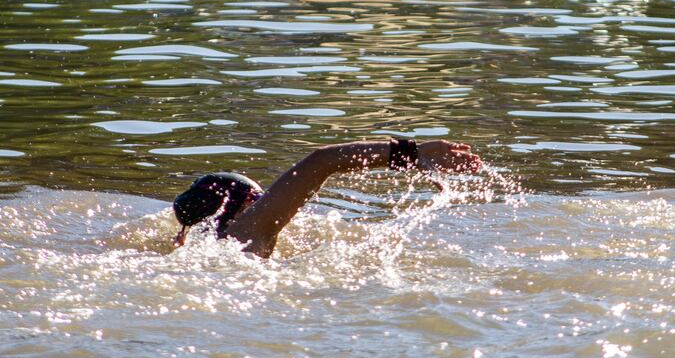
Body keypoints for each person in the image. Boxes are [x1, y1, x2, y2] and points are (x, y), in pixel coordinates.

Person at [172, 139, 482, 257]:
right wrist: (412, 154)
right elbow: (321, 161)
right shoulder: (248, 231)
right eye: (260, 199)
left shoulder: (207, 243)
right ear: (244, 205)